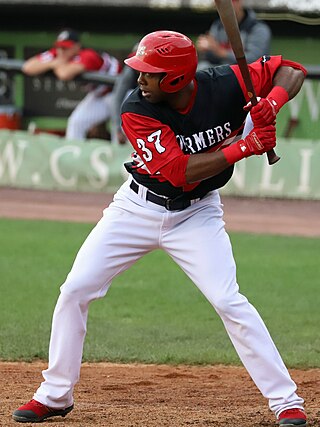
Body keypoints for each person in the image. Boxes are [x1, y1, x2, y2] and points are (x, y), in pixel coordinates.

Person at [13, 30, 307, 426]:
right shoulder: (136, 107)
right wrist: (246, 144)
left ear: (174, 78)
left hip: (197, 216)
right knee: (76, 290)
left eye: (148, 73)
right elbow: (177, 173)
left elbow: (291, 70)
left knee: (227, 300)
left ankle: (286, 400)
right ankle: (54, 394)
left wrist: (272, 102)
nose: (139, 79)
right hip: (136, 209)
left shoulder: (225, 83)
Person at [22, 28, 122, 141]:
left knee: (120, 132)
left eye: (65, 47)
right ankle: (73, 157)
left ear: (77, 47)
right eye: (59, 46)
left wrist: (54, 64)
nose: (61, 51)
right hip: (100, 95)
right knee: (76, 123)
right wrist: (54, 63)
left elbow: (65, 74)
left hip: (121, 94)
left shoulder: (88, 55)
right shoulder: (59, 55)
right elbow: (27, 67)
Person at [196, 0, 271, 69]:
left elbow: (255, 60)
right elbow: (211, 58)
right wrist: (204, 51)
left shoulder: (258, 28)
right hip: (223, 70)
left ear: (238, 2)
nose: (222, 7)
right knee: (201, 68)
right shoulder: (218, 25)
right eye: (219, 4)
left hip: (249, 74)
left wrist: (221, 52)